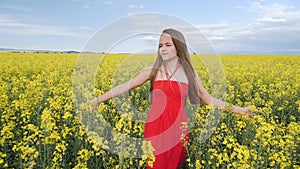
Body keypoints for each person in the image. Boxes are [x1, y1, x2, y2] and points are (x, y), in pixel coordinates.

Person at [87, 28, 256, 169]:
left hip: (179, 131)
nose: (163, 48)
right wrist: (96, 101)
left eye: (168, 44)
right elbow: (124, 86)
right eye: (160, 45)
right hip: (155, 129)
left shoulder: (189, 73)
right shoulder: (152, 70)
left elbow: (208, 99)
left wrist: (240, 110)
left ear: (178, 48)